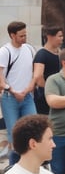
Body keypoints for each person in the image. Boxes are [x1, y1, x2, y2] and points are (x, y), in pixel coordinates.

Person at [0, 21, 37, 165]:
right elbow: (1, 78)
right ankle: (14, 165)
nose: (24, 38)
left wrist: (28, 89)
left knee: (34, 128)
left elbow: (35, 72)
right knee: (14, 133)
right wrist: (12, 90)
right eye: (21, 35)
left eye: (25, 35)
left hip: (27, 96)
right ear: (12, 35)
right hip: (10, 98)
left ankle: (30, 161)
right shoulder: (5, 51)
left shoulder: (29, 49)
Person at [32, 25, 63, 114]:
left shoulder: (59, 53)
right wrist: (49, 89)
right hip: (45, 97)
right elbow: (38, 76)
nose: (62, 38)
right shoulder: (42, 54)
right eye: (59, 36)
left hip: (58, 94)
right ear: (49, 37)